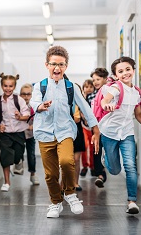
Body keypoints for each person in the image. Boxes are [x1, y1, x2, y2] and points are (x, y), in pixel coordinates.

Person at [30, 45, 100, 218]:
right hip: (45, 133)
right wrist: (40, 106)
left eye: (61, 65)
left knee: (68, 162)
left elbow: (86, 108)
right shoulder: (40, 86)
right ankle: (55, 202)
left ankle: (69, 193)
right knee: (50, 174)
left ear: (66, 66)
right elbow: (33, 103)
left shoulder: (71, 87)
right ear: (47, 65)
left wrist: (95, 129)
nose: (57, 68)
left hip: (65, 132)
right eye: (53, 64)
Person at [98, 56, 141, 214]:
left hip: (127, 133)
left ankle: (132, 201)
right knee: (115, 170)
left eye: (128, 69)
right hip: (109, 133)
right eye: (120, 71)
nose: (125, 73)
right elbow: (104, 101)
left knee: (130, 166)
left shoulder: (136, 92)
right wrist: (107, 104)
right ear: (116, 75)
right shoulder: (115, 88)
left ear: (133, 70)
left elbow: (137, 114)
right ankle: (106, 158)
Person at [0, 73, 30, 192]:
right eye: (6, 86)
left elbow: (27, 115)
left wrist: (20, 116)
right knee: (5, 156)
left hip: (18, 133)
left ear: (14, 87)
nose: (8, 88)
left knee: (17, 156)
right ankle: (7, 182)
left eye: (10, 86)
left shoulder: (19, 100)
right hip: (6, 133)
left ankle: (18, 162)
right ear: (2, 86)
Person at [89, 68, 109, 187]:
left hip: (108, 127)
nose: (95, 82)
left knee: (107, 151)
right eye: (94, 80)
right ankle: (100, 175)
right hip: (96, 127)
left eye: (98, 79)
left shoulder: (110, 93)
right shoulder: (91, 96)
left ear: (105, 79)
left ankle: (105, 171)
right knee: (96, 150)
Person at [20, 83, 40, 185]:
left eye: (28, 94)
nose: (26, 96)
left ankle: (33, 174)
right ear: (20, 95)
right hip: (19, 132)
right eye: (23, 94)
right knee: (19, 150)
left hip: (30, 133)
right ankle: (19, 165)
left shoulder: (34, 106)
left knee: (31, 154)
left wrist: (33, 126)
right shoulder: (17, 105)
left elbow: (38, 119)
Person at [80, 79, 96, 177]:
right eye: (86, 87)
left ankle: (92, 166)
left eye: (91, 87)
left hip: (93, 127)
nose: (89, 89)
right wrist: (84, 117)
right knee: (84, 147)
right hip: (84, 126)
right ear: (83, 88)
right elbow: (80, 110)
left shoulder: (94, 98)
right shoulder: (81, 98)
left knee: (92, 147)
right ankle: (85, 166)